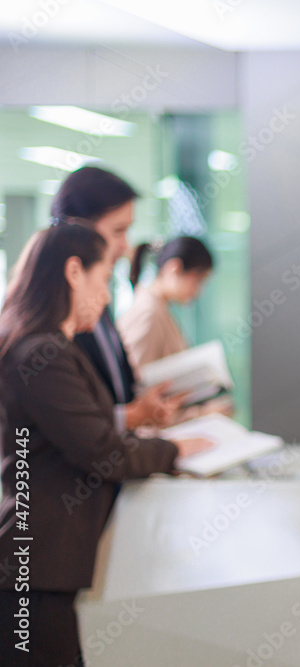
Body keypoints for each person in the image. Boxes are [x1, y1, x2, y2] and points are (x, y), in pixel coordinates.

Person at [0, 223, 211, 665]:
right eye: (103, 278)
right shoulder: (42, 355)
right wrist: (175, 450)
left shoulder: (51, 348)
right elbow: (101, 450)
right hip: (33, 565)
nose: (106, 295)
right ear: (74, 272)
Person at [48, 165, 184, 431]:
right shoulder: (51, 319)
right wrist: (131, 417)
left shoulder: (99, 297)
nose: (125, 246)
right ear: (76, 230)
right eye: (118, 231)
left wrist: (145, 408)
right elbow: (65, 423)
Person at [119, 236, 214, 369]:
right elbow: (132, 375)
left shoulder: (160, 308)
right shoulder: (148, 313)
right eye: (198, 280)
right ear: (174, 268)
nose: (198, 291)